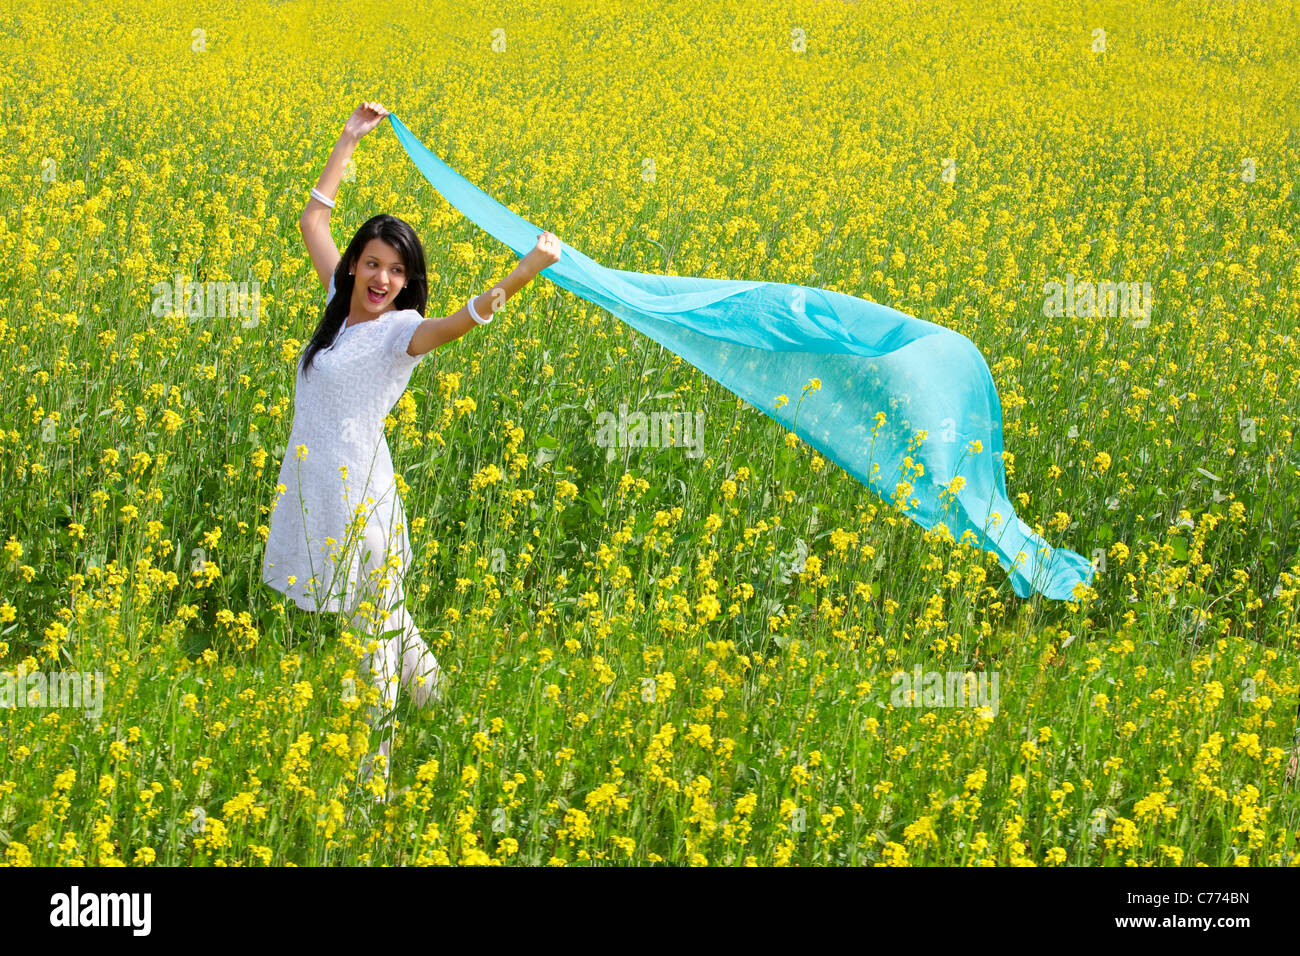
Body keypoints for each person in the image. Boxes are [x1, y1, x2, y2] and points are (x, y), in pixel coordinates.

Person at [260, 100, 562, 794]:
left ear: (408, 280)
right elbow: (313, 220)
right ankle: (447, 711)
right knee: (391, 622)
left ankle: (374, 778)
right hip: (320, 491)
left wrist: (529, 268)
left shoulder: (402, 332)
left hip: (361, 502)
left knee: (371, 642)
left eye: (397, 270)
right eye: (373, 263)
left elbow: (465, 319)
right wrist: (348, 139)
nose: (381, 279)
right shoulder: (341, 306)